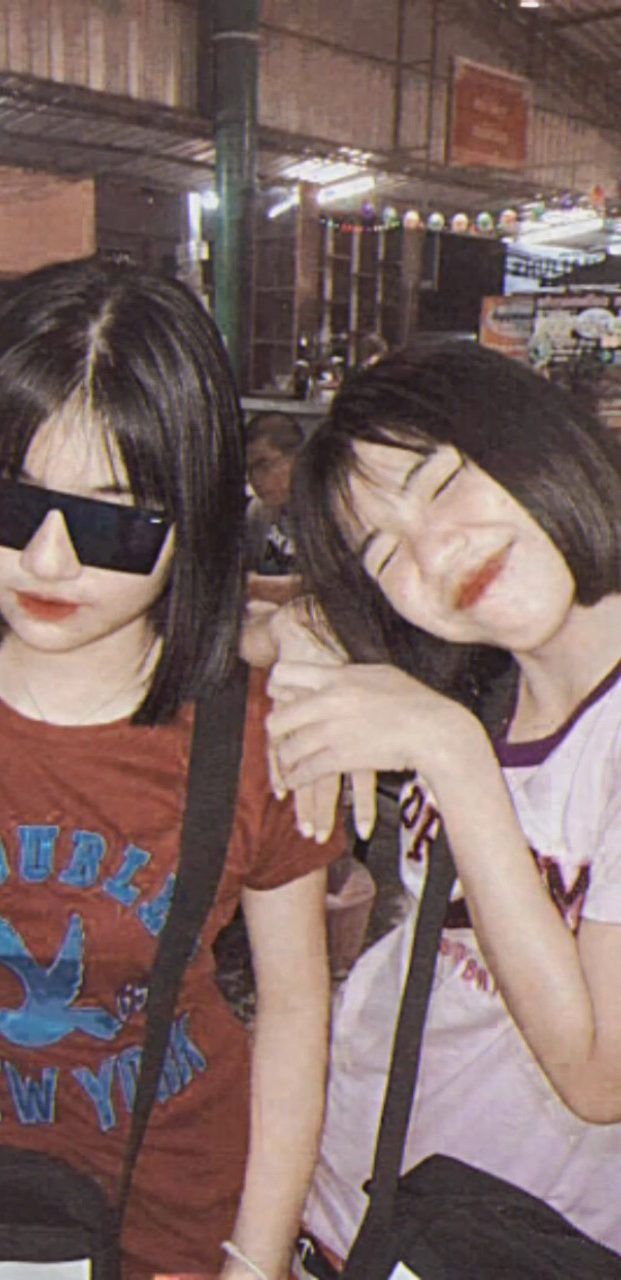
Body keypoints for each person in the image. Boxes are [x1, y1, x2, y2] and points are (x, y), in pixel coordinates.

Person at [0, 257, 340, 1280]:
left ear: (194, 517)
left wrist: (255, 1258)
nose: (48, 562)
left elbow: (292, 1009)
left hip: (167, 1221)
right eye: (7, 501)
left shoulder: (259, 725)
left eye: (112, 519)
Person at [266, 341, 621, 1264]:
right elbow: (239, 629)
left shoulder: (464, 727)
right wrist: (300, 631)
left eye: (442, 483)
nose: (435, 550)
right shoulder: (483, 680)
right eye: (384, 552)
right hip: (343, 1199)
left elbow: (600, 1077)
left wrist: (454, 759)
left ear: (536, 437)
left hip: (496, 1244)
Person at [245, 412, 303, 607]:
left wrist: (256, 586)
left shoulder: (327, 512)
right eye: (249, 470)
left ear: (297, 459)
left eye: (264, 466)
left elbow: (331, 588)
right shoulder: (258, 512)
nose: (255, 480)